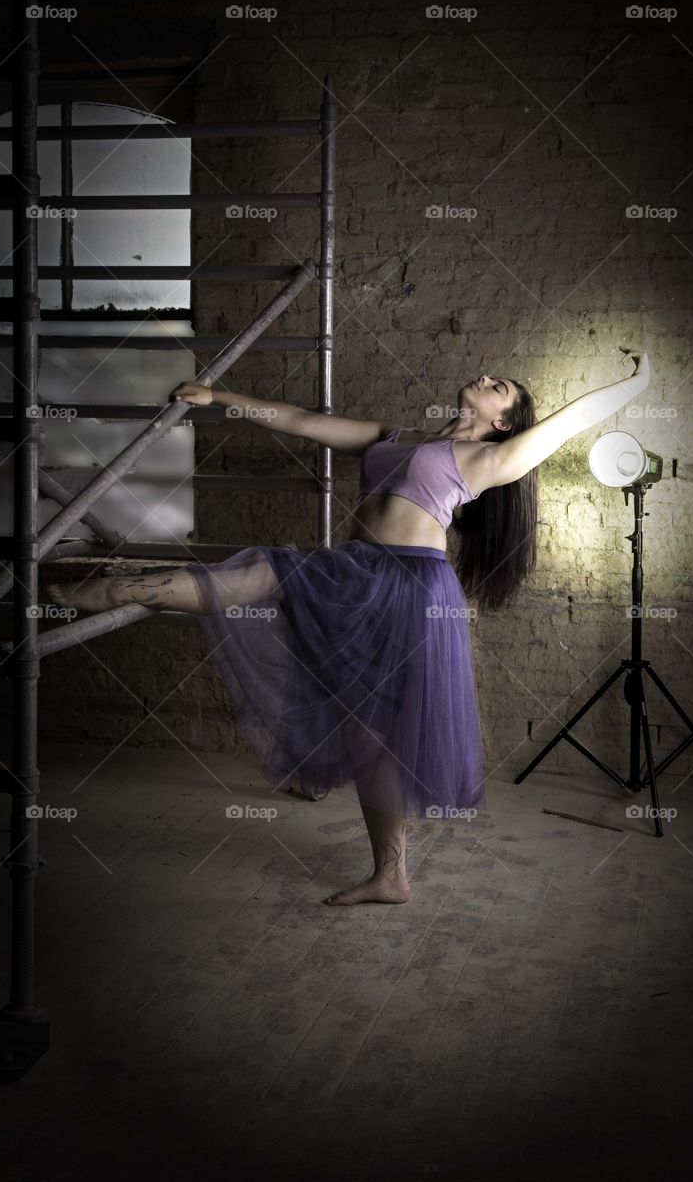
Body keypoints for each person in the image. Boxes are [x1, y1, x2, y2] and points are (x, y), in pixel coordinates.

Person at [46, 350, 652, 907]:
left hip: (410, 587)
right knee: (360, 724)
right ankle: (391, 876)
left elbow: (568, 423)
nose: (487, 378)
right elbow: (305, 421)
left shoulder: (491, 458)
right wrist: (221, 397)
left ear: (502, 421)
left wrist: (636, 383)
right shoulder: (394, 436)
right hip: (354, 571)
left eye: (501, 388)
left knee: (331, 665)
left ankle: (109, 590)